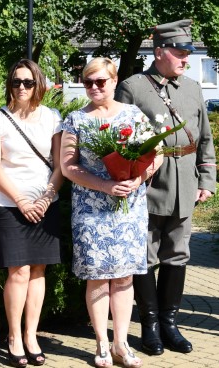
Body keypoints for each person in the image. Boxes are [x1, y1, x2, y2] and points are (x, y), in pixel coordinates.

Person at [114, 19, 217, 356]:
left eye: (188, 53)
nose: (186, 59)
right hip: (148, 186)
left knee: (177, 255)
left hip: (185, 185)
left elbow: (204, 137)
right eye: (180, 52)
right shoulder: (133, 87)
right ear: (159, 52)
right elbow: (121, 140)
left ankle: (171, 324)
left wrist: (207, 179)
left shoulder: (192, 88)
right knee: (145, 258)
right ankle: (150, 326)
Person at [61, 58, 162, 368]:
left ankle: (122, 343)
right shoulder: (75, 119)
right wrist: (103, 186)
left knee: (122, 278)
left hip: (129, 208)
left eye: (100, 81)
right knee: (97, 278)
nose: (94, 87)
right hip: (91, 211)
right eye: (88, 82)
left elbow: (155, 156)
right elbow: (68, 166)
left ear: (114, 81)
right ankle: (102, 345)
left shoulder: (133, 115)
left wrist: (137, 178)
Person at [0, 60, 64, 367]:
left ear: (38, 84)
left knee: (39, 271)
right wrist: (21, 201)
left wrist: (46, 197)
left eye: (28, 82)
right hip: (8, 205)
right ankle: (14, 336)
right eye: (16, 82)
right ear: (9, 84)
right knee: (18, 272)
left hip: (45, 204)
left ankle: (31, 335)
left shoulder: (53, 117)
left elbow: (60, 165)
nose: (21, 87)